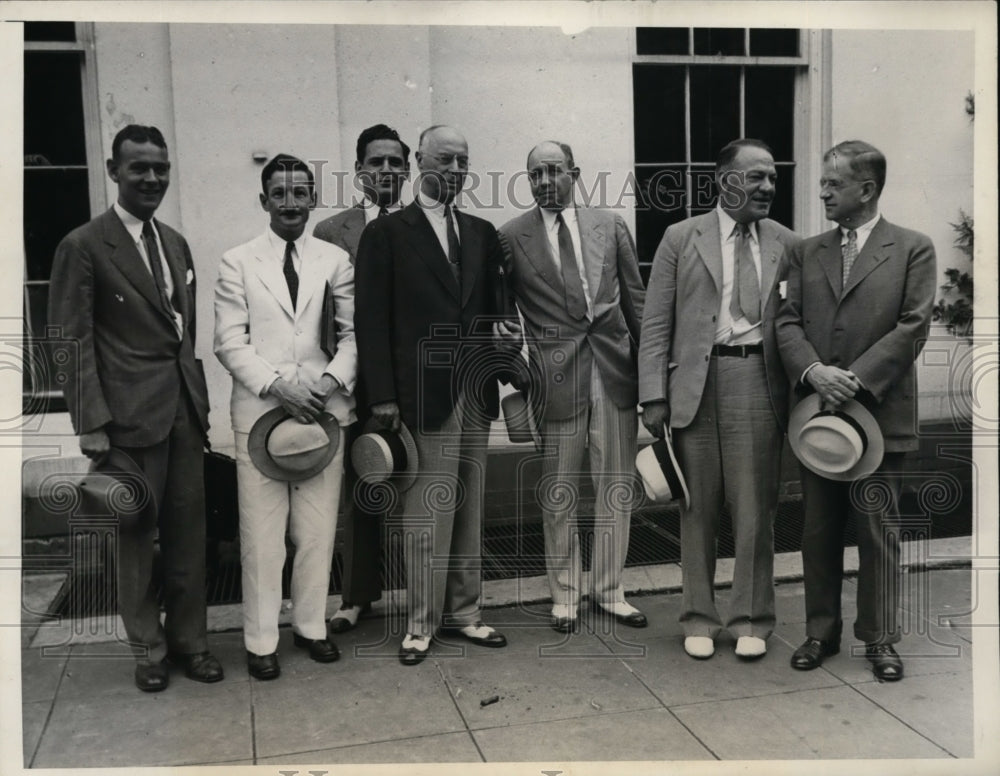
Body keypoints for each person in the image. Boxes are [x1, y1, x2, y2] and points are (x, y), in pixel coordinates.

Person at [48, 124, 222, 692]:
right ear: (113, 171)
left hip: (182, 413)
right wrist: (91, 423)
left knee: (188, 536)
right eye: (139, 168)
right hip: (125, 420)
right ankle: (149, 650)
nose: (152, 178)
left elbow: (183, 332)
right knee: (135, 539)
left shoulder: (174, 241)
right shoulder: (84, 244)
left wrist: (196, 400)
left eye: (160, 168)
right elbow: (70, 340)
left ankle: (192, 644)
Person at [354, 124, 516, 665]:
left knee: (467, 507)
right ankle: (420, 624)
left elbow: (494, 309)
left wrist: (502, 335)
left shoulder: (480, 232)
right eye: (444, 160)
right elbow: (370, 322)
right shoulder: (388, 234)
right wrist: (382, 398)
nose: (454, 170)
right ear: (419, 161)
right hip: (420, 393)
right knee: (427, 511)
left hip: (475, 388)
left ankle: (466, 614)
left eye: (463, 161)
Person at [775, 140, 936, 681]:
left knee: (878, 531)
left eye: (833, 183)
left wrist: (857, 379)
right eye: (823, 182)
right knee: (817, 530)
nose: (822, 191)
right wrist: (814, 372)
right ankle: (820, 631)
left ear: (865, 190)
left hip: (880, 417)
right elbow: (786, 321)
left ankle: (881, 639)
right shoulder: (805, 251)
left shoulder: (913, 248)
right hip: (817, 417)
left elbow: (914, 325)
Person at [638, 139, 799, 660]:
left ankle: (751, 618)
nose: (768, 187)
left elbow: (797, 324)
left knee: (755, 509)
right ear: (726, 181)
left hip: (758, 382)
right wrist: (652, 397)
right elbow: (656, 323)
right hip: (695, 388)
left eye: (772, 178)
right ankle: (699, 619)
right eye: (756, 177)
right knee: (696, 508)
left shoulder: (786, 243)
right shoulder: (680, 238)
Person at [214, 153, 357, 680]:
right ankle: (260, 640)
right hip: (261, 417)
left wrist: (324, 384)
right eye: (280, 194)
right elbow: (229, 342)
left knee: (317, 532)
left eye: (301, 193)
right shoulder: (238, 261)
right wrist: (279, 388)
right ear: (264, 201)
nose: (291, 203)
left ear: (313, 197)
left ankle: (312, 627)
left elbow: (351, 334)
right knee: (263, 537)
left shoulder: (334, 260)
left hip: (323, 412)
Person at [497, 141, 647, 633]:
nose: (543, 181)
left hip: (613, 369)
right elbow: (503, 314)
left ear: (574, 174)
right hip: (553, 375)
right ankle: (565, 593)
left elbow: (635, 301)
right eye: (534, 173)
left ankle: (609, 590)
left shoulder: (611, 225)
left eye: (553, 171)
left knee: (615, 485)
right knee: (559, 489)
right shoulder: (511, 236)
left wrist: (652, 378)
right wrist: (515, 363)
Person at [313, 124, 410, 633]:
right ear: (359, 172)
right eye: (377, 162)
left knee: (421, 486)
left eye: (396, 162)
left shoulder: (426, 224)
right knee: (361, 486)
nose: (387, 171)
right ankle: (355, 597)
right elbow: (320, 312)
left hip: (415, 377)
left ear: (409, 171)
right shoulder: (331, 232)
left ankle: (426, 596)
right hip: (356, 378)